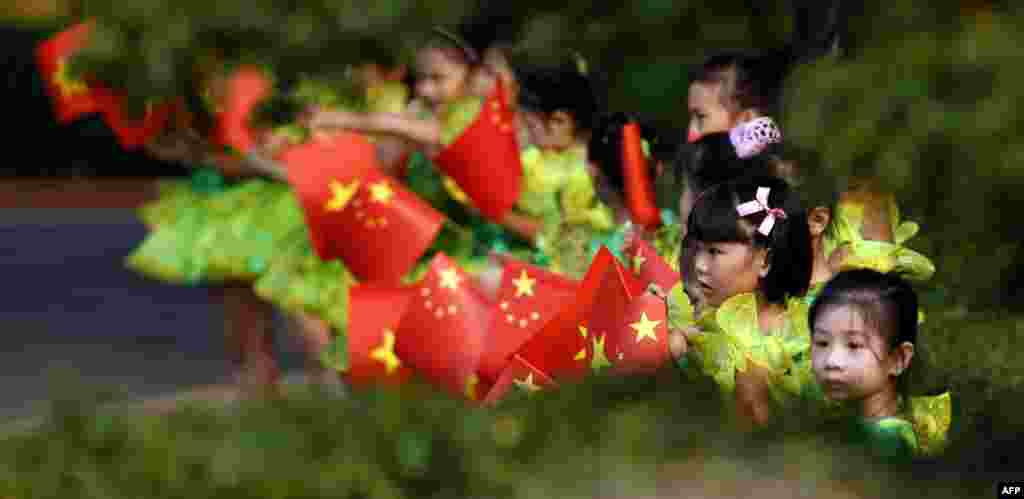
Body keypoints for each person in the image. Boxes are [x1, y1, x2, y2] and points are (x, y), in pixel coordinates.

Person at [666, 174, 813, 430]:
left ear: (764, 261)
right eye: (698, 249)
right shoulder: (705, 327)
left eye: (714, 252)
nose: (699, 266)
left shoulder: (811, 337)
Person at [806, 269, 952, 460]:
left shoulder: (888, 441)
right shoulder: (852, 425)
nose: (831, 361)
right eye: (822, 343)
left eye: (854, 345)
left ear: (898, 359)